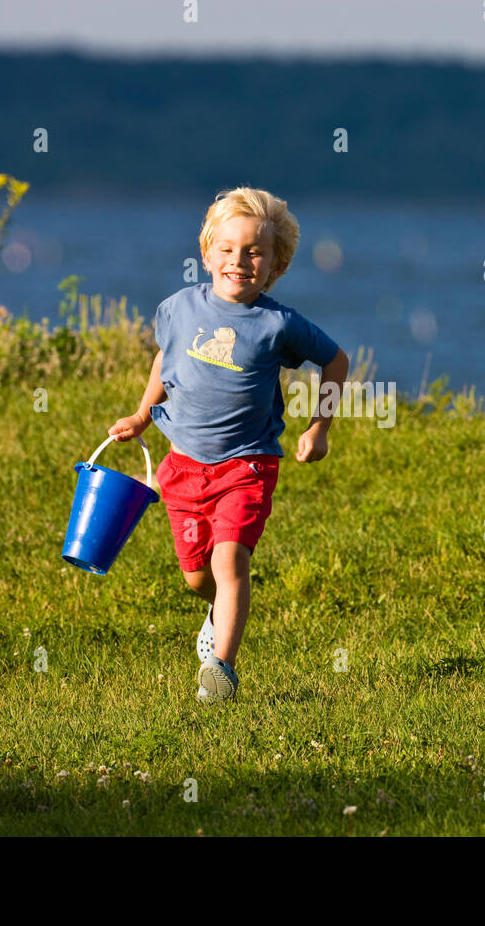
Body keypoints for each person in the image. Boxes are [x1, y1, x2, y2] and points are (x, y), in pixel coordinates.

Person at [109, 187, 349, 702]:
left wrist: (318, 427)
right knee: (198, 578)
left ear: (276, 266)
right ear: (207, 252)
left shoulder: (278, 324)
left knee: (230, 560)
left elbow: (336, 360)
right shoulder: (177, 309)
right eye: (228, 249)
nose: (239, 261)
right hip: (183, 466)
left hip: (247, 465)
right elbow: (164, 362)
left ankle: (221, 668)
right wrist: (142, 415)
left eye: (255, 252)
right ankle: (217, 614)